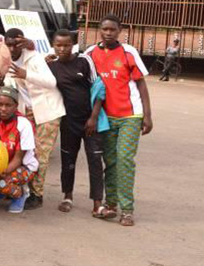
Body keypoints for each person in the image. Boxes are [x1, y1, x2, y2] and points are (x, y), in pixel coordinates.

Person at [84, 15, 153, 226]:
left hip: (130, 116)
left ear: (119, 31)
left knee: (124, 160)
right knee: (111, 161)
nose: (108, 33)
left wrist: (148, 116)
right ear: (99, 30)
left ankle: (127, 210)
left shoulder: (128, 52)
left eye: (112, 30)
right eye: (104, 29)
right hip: (105, 118)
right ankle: (111, 204)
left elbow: (141, 85)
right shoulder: (89, 53)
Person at [3, 28, 64, 210]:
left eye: (16, 44)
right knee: (24, 152)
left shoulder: (34, 57)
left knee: (40, 154)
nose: (12, 48)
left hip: (47, 111)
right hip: (27, 112)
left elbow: (51, 82)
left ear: (23, 42)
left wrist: (26, 74)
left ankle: (37, 195)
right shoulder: (5, 59)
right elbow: (10, 85)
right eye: (9, 44)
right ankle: (20, 190)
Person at [46, 29, 105, 217]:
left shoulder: (84, 61)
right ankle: (67, 196)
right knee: (68, 160)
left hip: (90, 122)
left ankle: (97, 203)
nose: (62, 49)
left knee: (95, 160)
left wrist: (93, 118)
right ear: (53, 45)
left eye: (66, 45)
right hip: (68, 122)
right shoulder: (51, 66)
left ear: (73, 45)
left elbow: (99, 88)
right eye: (58, 45)